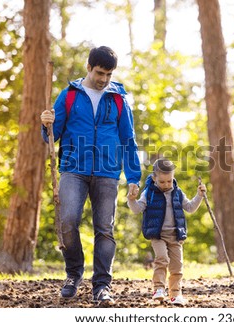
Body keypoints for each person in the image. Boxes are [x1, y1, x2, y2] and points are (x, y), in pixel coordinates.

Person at [40, 46, 141, 303]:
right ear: (89, 67)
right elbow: (52, 136)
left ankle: (102, 285)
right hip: (74, 168)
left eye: (108, 74)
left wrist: (133, 177)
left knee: (105, 229)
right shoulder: (69, 96)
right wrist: (46, 124)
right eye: (99, 72)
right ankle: (74, 274)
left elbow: (128, 140)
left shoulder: (118, 99)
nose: (104, 79)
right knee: (68, 222)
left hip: (107, 171)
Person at [127, 158, 206, 305]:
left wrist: (199, 196)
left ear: (173, 177)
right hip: (158, 235)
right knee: (162, 258)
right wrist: (131, 200)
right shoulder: (149, 193)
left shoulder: (177, 192)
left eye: (169, 181)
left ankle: (175, 294)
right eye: (162, 182)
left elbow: (190, 208)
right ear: (154, 178)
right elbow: (137, 209)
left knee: (177, 266)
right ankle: (159, 289)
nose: (166, 185)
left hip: (176, 235)